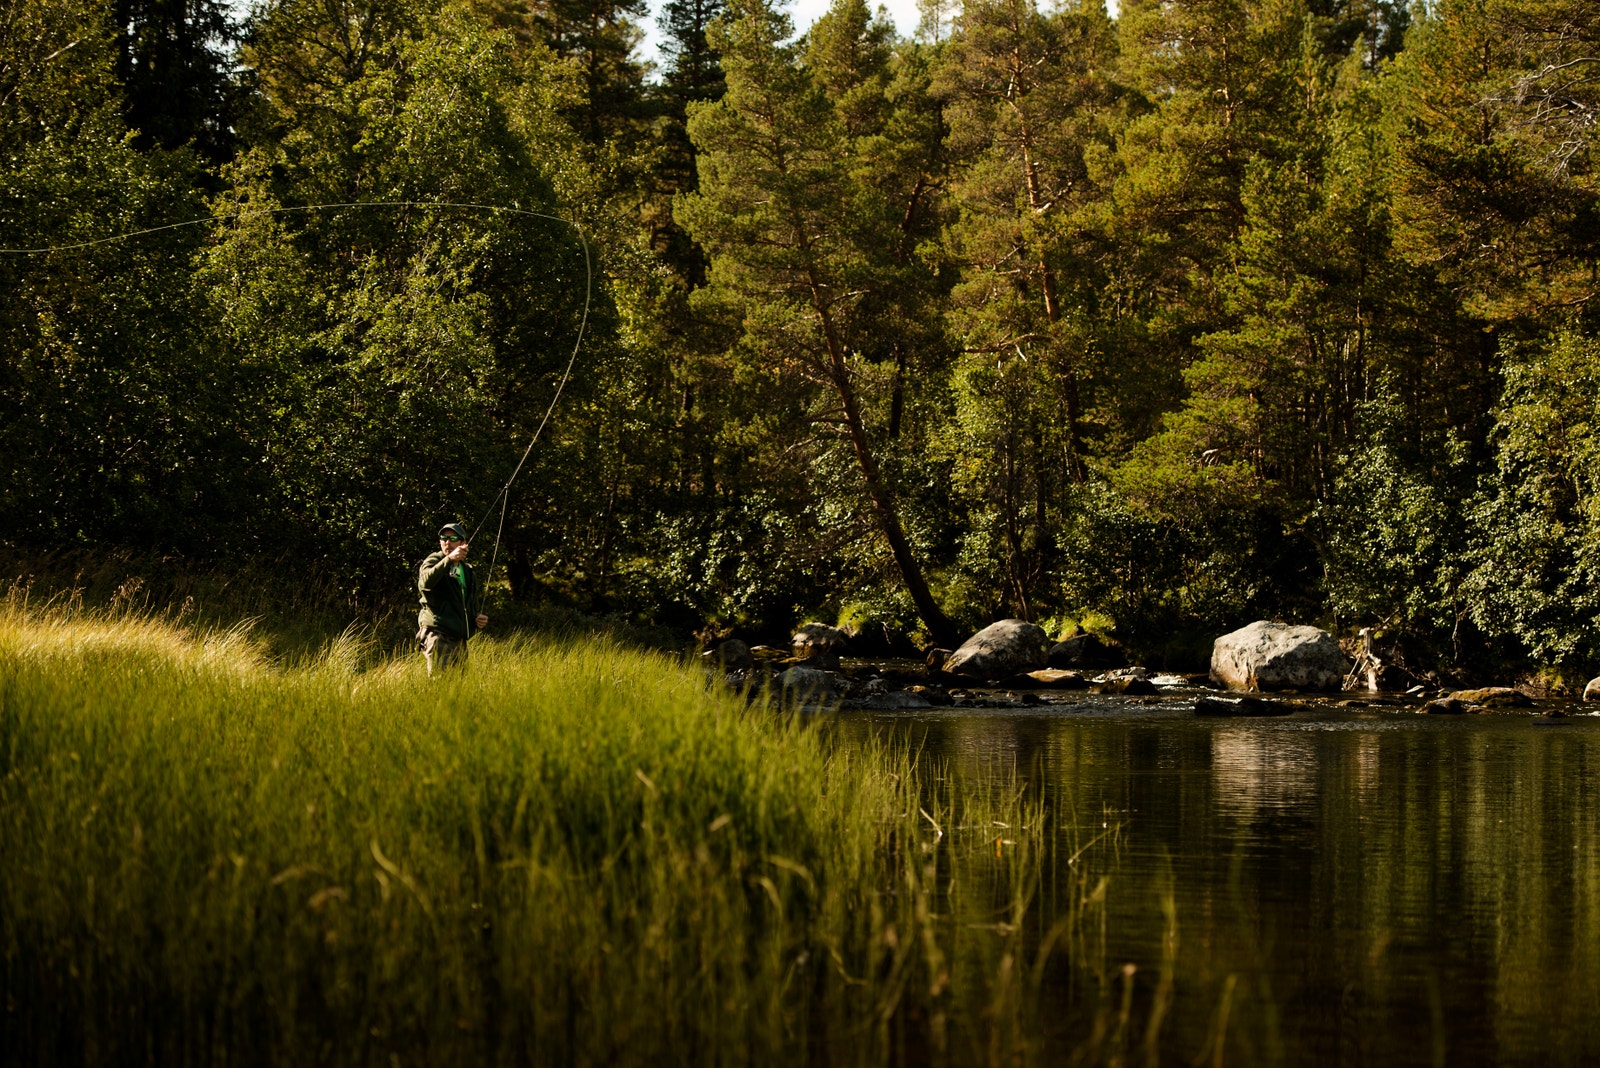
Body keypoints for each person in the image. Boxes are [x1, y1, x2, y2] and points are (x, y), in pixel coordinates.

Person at [416, 522, 488, 674]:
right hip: (437, 634)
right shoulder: (434, 560)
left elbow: (467, 601)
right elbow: (424, 583)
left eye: (453, 538)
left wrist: (476, 618)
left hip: (459, 639)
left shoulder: (468, 571)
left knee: (459, 687)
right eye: (443, 538)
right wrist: (448, 560)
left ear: (463, 543)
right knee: (440, 684)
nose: (447, 542)